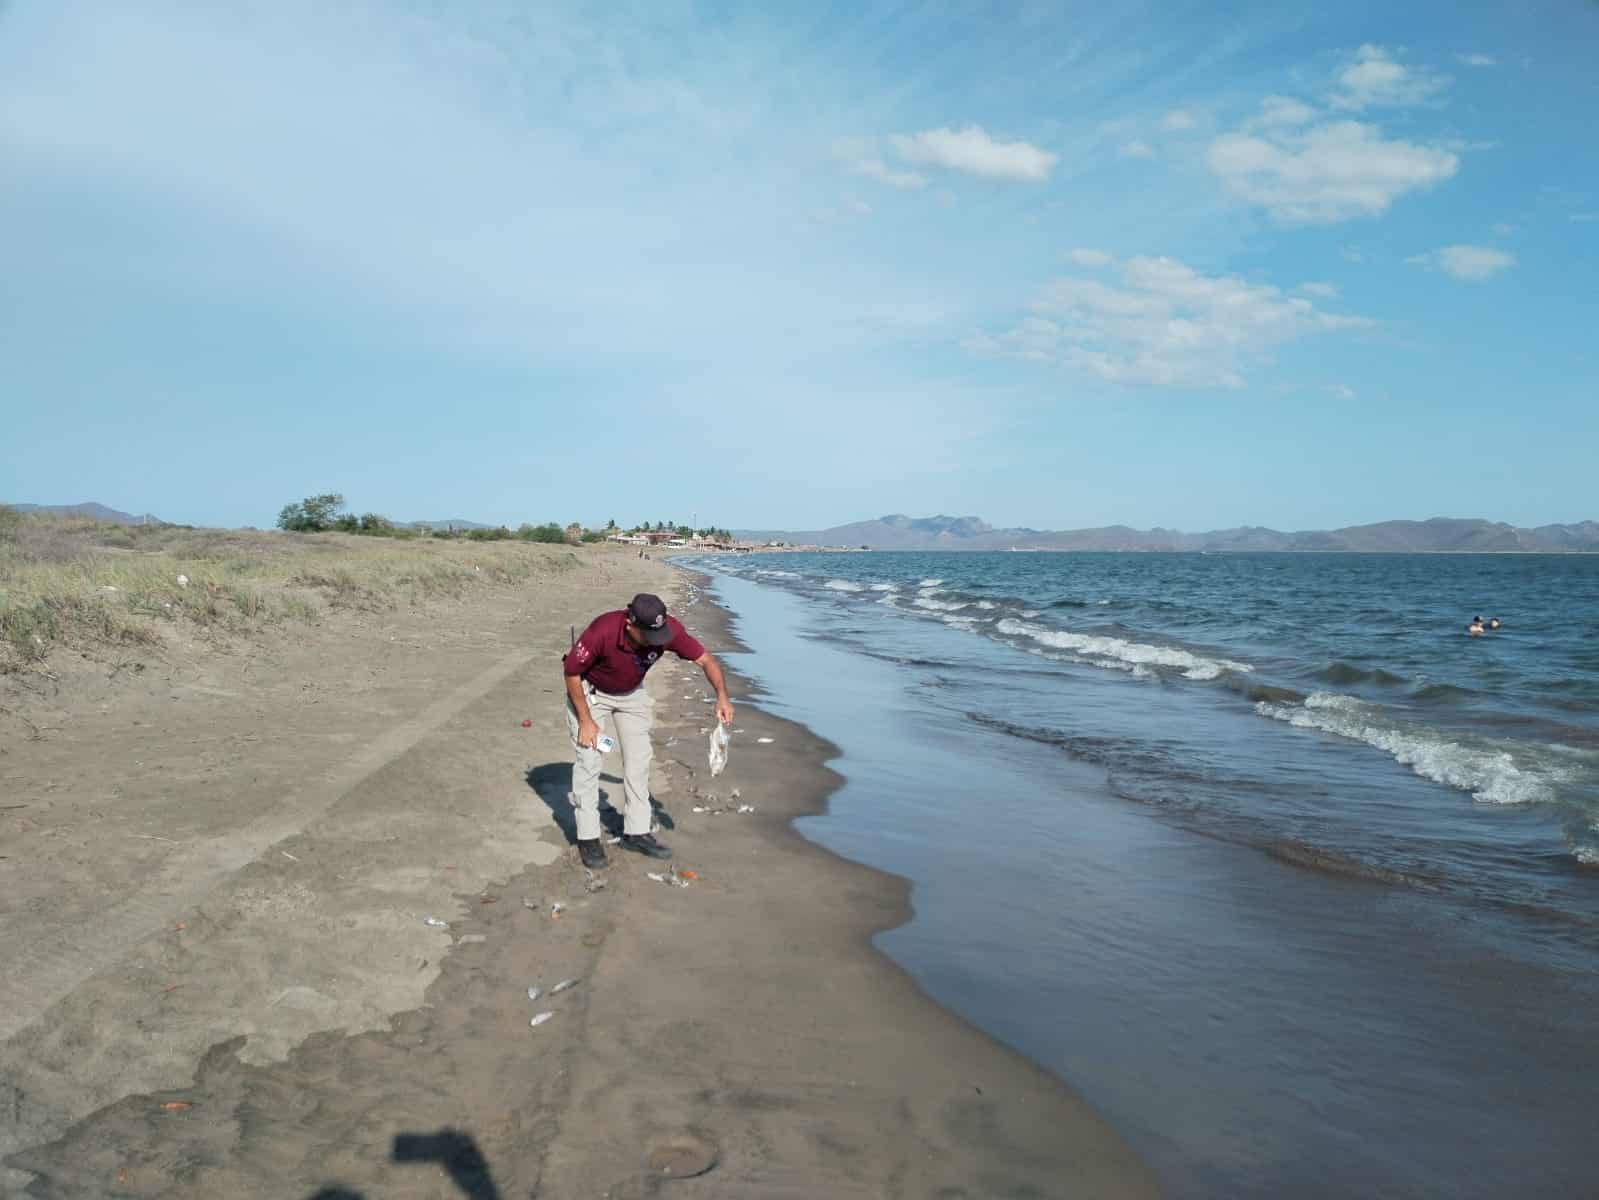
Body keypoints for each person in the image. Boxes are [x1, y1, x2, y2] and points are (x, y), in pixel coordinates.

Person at [562, 593, 733, 868]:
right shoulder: (602, 630)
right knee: (589, 762)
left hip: (631, 694)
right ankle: (588, 836)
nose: (658, 641)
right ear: (630, 624)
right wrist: (585, 720)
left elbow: (706, 661)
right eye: (650, 636)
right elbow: (571, 672)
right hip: (591, 694)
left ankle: (636, 831)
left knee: (638, 762)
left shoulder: (668, 631)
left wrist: (722, 696)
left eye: (660, 634)